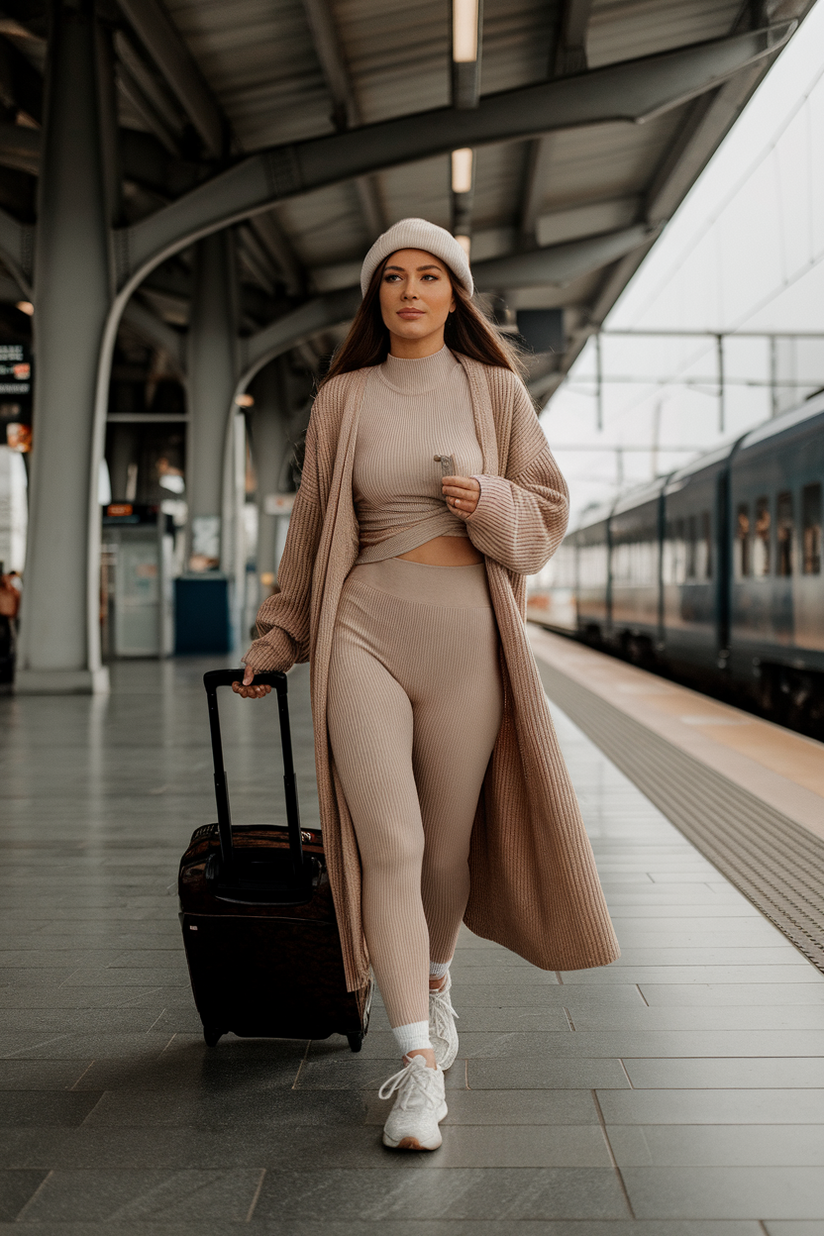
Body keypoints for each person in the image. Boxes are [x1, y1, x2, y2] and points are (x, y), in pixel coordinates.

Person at [235, 218, 619, 1151]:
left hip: (469, 643)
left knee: (446, 853)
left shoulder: (495, 390)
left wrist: (487, 499)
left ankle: (437, 985)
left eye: (430, 277)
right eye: (393, 278)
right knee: (391, 843)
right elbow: (312, 524)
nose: (410, 291)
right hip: (363, 628)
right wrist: (281, 637)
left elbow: (547, 510)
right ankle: (416, 1068)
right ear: (375, 298)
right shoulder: (344, 399)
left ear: (456, 294)